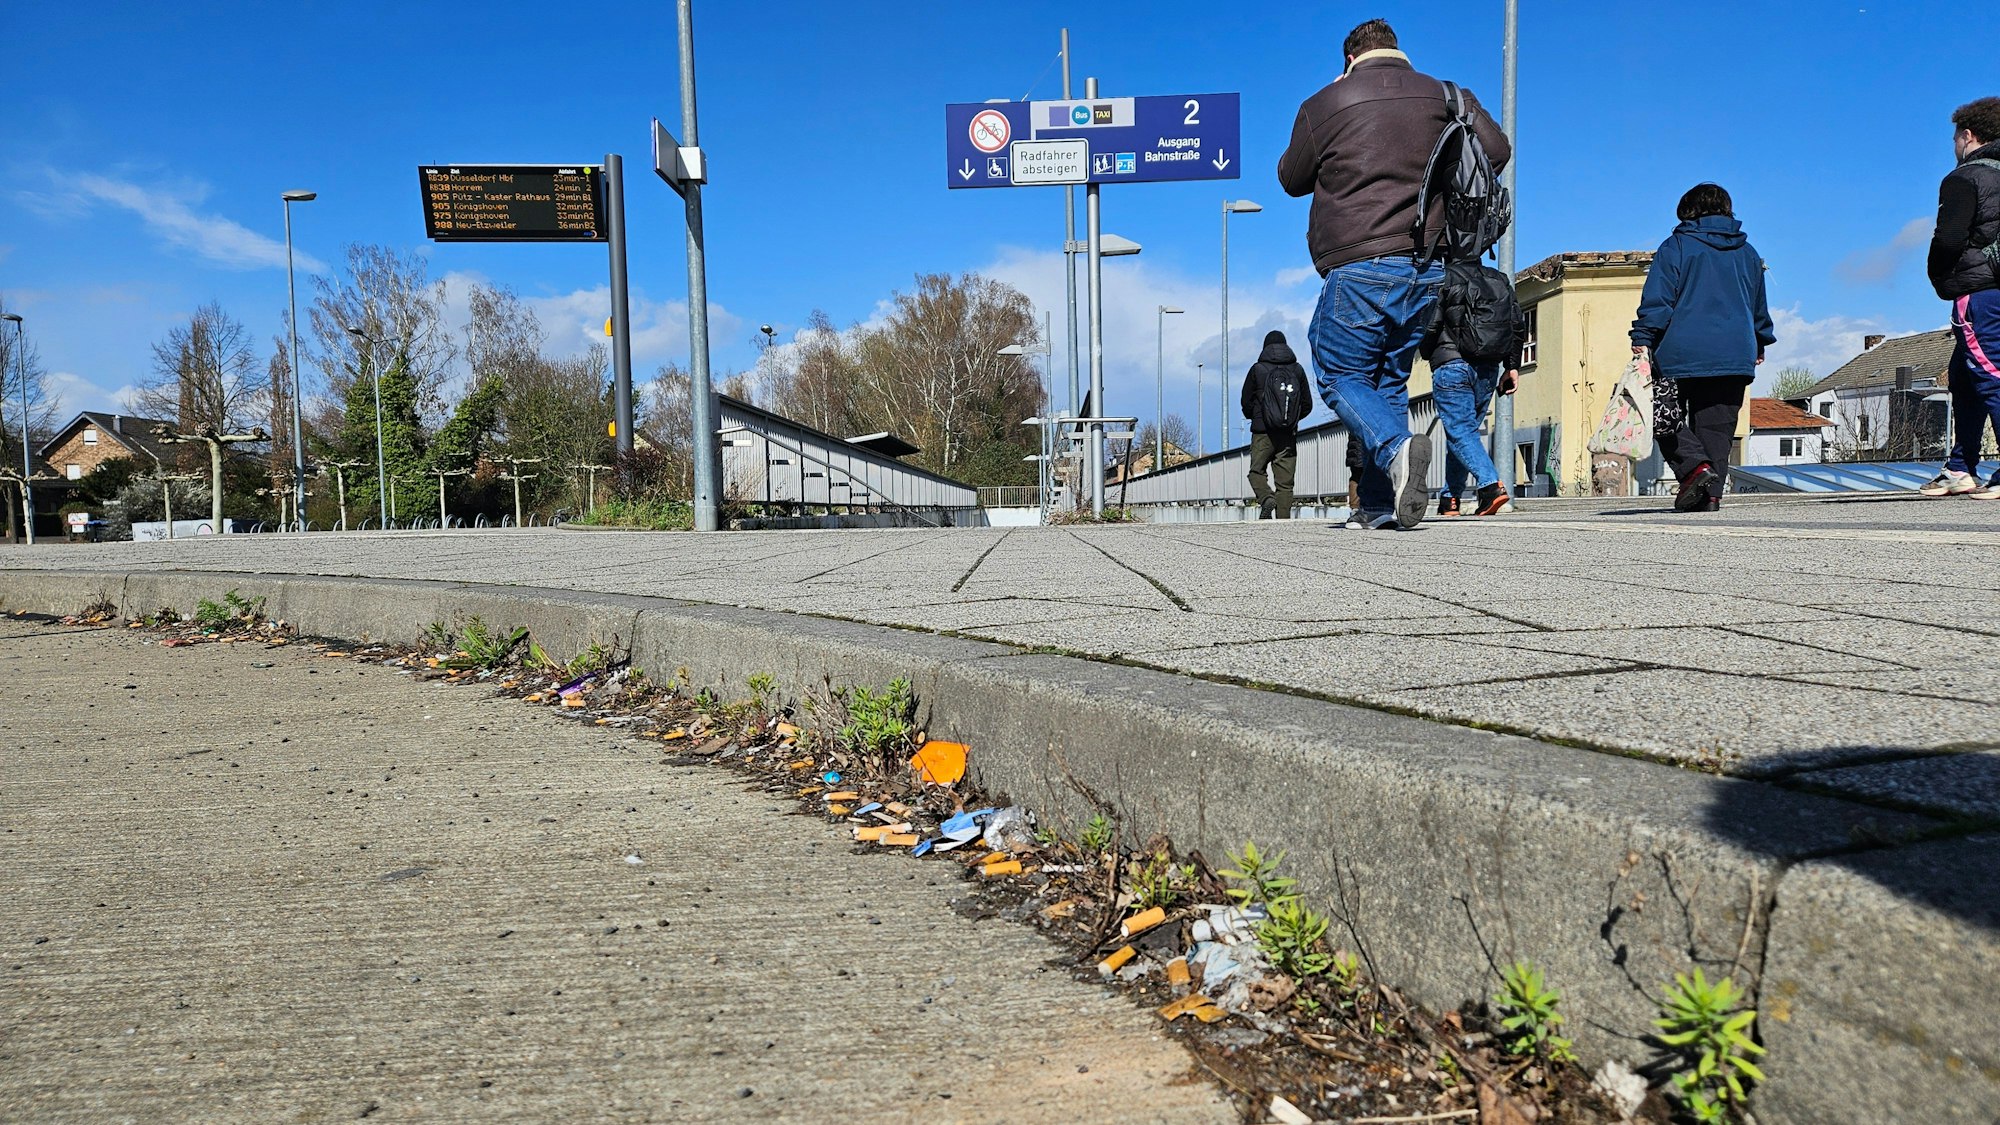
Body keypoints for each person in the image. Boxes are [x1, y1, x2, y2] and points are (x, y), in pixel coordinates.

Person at [1279, 18, 1509, 529]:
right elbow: (1497, 151)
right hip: (1427, 266)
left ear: (1348, 60)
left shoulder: (1326, 103)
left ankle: (1397, 446)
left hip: (1359, 262)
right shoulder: (1449, 95)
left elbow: (1291, 178)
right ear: (1398, 51)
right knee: (1386, 383)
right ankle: (1381, 508)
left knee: (1340, 373)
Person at [1629, 183, 1776, 512]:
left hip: (1680, 351)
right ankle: (1709, 496)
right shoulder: (1749, 253)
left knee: (1662, 417)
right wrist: (1760, 339)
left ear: (1687, 210)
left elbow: (1659, 299)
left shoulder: (1677, 246)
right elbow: (1758, 306)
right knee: (1718, 429)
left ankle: (1695, 468)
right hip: (1735, 353)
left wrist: (1642, 338)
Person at [1920, 96, 2000, 501]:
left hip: (1981, 291)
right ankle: (1959, 467)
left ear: (1968, 136)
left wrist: (1939, 277)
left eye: (1955, 138)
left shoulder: (1966, 177)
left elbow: (1949, 237)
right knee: (1966, 376)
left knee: (1990, 373)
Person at [1423, 309, 1524, 517]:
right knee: (1462, 435)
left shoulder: (1445, 278)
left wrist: (1427, 351)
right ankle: (1450, 499)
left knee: (1460, 432)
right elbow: (1515, 324)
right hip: (1487, 368)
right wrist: (1512, 366)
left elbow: (1431, 321)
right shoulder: (1499, 281)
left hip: (1452, 361)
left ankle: (1490, 485)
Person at [1242, 330, 1313, 518]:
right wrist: (1290, 419)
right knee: (1285, 483)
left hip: (1262, 432)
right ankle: (1283, 522)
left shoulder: (1257, 369)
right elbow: (1307, 404)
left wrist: (1256, 417)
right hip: (1288, 434)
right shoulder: (1297, 370)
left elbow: (1246, 401)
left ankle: (1266, 499)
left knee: (1256, 472)